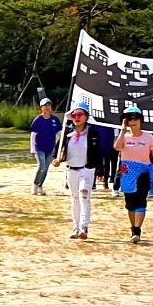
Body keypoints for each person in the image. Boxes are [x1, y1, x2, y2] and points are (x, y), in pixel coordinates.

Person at [113, 106, 153, 244]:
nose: (133, 121)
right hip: (127, 172)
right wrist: (123, 130)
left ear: (141, 120)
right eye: (129, 119)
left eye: (136, 118)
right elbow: (117, 147)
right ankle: (133, 227)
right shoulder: (124, 137)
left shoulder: (148, 137)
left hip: (143, 172)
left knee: (141, 200)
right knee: (130, 202)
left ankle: (137, 230)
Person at [51, 103, 102, 240]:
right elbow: (58, 147)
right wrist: (56, 159)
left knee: (84, 196)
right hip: (71, 170)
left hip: (87, 169)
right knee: (74, 199)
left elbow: (98, 152)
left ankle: (84, 227)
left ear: (86, 117)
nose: (76, 118)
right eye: (74, 115)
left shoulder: (93, 133)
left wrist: (100, 171)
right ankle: (75, 227)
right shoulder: (67, 132)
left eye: (80, 114)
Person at [28, 99, 62, 196]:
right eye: (45, 106)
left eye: (49, 105)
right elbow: (33, 134)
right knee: (41, 166)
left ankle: (40, 186)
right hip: (39, 147)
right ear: (41, 108)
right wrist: (32, 149)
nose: (47, 108)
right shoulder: (38, 120)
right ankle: (35, 185)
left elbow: (59, 132)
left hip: (50, 148)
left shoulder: (54, 120)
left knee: (46, 168)